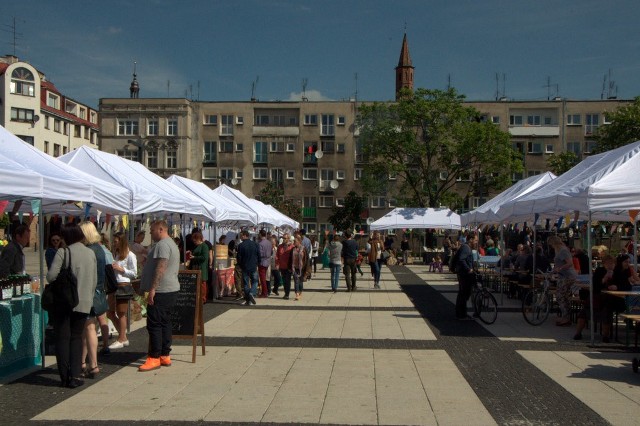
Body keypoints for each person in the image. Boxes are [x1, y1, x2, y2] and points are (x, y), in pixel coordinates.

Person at [46, 223, 97, 388]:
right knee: (76, 338)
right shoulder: (90, 253)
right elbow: (94, 280)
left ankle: (64, 376)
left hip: (65, 302)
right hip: (84, 302)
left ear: (66, 237)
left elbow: (50, 276)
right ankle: (75, 375)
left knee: (62, 338)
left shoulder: (63, 252)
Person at [138, 220, 180, 371]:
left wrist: (153, 289)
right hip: (170, 289)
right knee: (165, 322)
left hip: (162, 290)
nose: (150, 233)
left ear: (160, 229)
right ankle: (164, 354)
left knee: (155, 324)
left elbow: (161, 268)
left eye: (152, 230)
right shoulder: (171, 244)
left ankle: (154, 357)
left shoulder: (163, 245)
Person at [78, 221, 107, 379]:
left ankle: (93, 364)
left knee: (88, 329)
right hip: (98, 292)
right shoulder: (100, 249)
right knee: (88, 329)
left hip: (90, 293)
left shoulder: (89, 250)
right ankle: (83, 362)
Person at [574, 255, 614, 340]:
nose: (610, 265)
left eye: (612, 263)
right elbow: (595, 286)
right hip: (596, 297)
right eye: (608, 263)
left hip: (609, 298)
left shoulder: (616, 272)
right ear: (604, 264)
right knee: (583, 314)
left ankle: (605, 336)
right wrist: (605, 278)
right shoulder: (600, 271)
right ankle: (578, 333)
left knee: (607, 315)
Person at [108, 232, 137, 349]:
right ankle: (123, 336)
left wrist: (121, 269)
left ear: (121, 241)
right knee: (109, 312)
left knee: (121, 313)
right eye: (113, 242)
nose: (114, 244)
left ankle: (121, 338)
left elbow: (134, 273)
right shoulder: (116, 254)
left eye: (116, 241)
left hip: (123, 285)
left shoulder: (130, 255)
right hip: (114, 285)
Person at [547, 235, 577, 327]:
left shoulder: (563, 250)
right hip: (562, 276)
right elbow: (558, 264)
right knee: (564, 296)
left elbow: (570, 263)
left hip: (567, 276)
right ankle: (566, 316)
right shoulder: (558, 251)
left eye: (551, 244)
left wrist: (560, 268)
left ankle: (566, 317)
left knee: (560, 296)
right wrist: (552, 271)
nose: (550, 246)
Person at [455, 234, 476, 320]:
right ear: (471, 239)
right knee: (464, 294)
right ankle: (461, 314)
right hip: (465, 274)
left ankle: (461, 313)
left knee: (463, 294)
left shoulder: (466, 247)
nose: (476, 242)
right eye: (475, 240)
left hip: (463, 273)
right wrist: (468, 269)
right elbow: (461, 259)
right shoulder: (466, 248)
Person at [236, 230, 260, 306]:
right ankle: (251, 293)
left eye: (241, 235)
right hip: (253, 266)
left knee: (246, 283)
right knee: (255, 281)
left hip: (245, 266)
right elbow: (259, 255)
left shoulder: (241, 245)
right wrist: (258, 263)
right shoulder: (255, 244)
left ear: (244, 235)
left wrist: (240, 265)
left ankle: (248, 299)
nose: (240, 237)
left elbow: (239, 257)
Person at [188, 231, 209, 303]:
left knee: (202, 284)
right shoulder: (197, 246)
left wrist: (194, 257)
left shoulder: (204, 246)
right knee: (197, 283)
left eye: (195, 240)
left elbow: (204, 257)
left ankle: (203, 299)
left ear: (199, 239)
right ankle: (198, 298)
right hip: (195, 267)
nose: (194, 242)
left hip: (201, 267)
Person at [276, 233, 294, 299]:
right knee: (284, 280)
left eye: (285, 238)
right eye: (283, 238)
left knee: (287, 280)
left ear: (288, 239)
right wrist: (277, 264)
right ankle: (286, 292)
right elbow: (277, 256)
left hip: (288, 267)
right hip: (282, 266)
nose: (283, 239)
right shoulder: (280, 247)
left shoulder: (292, 247)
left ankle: (287, 294)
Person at [258, 229, 273, 297]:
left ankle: (264, 292)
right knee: (265, 277)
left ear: (260, 234)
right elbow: (271, 252)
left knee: (262, 278)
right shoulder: (269, 242)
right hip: (268, 261)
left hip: (262, 261)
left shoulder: (260, 243)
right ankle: (265, 291)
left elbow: (260, 254)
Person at [291, 235, 307, 300]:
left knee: (300, 281)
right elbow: (290, 258)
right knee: (296, 281)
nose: (294, 242)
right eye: (294, 241)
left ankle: (300, 292)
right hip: (294, 267)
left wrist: (307, 269)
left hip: (302, 267)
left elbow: (307, 259)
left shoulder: (304, 249)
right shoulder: (293, 249)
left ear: (299, 241)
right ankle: (297, 293)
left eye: (295, 241)